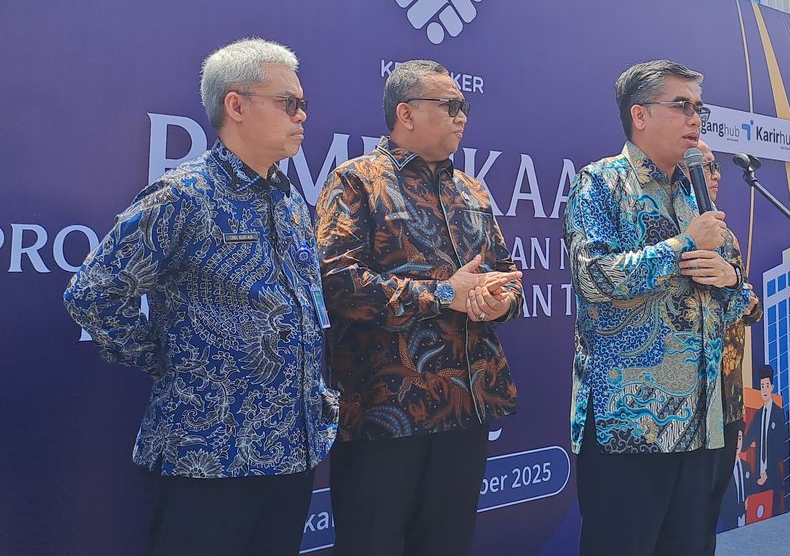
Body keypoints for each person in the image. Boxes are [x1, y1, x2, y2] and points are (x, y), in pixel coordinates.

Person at [64, 38, 338, 556]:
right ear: (236, 105)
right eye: (289, 103)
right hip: (206, 457)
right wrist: (167, 359)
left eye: (303, 104)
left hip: (288, 456)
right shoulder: (185, 195)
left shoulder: (294, 205)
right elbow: (94, 294)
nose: (302, 116)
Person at [315, 59, 523, 556]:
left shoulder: (473, 189)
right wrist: (443, 294)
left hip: (466, 408)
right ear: (405, 113)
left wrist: (499, 300)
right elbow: (337, 283)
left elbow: (505, 271)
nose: (462, 117)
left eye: (464, 107)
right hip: (386, 412)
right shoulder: (356, 181)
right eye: (449, 106)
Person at [564, 59, 751, 556]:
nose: (696, 119)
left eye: (699, 108)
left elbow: (738, 304)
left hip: (703, 422)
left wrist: (732, 282)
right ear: (640, 115)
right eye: (682, 106)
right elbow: (594, 278)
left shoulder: (697, 193)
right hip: (631, 425)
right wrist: (682, 247)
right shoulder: (601, 183)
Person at [694, 139, 762, 554]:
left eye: (717, 166)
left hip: (728, 397)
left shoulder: (727, 237)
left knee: (708, 511)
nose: (716, 175)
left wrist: (733, 283)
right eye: (707, 166)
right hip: (687, 402)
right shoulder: (672, 229)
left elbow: (749, 308)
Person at [743, 364, 787, 513]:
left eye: (767, 385)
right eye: (762, 386)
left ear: (772, 387)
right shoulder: (758, 415)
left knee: (774, 512)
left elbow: (781, 447)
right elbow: (747, 440)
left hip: (772, 474)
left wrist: (767, 472)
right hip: (758, 475)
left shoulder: (778, 413)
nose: (764, 389)